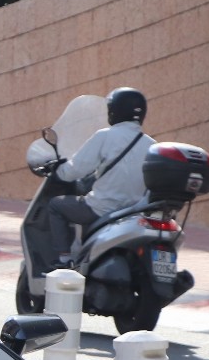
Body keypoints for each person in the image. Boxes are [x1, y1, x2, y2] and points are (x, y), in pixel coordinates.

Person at [46, 87, 154, 265]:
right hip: (132, 213)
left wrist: (58, 171)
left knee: (56, 206)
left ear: (114, 111)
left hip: (101, 209)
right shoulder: (151, 144)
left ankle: (64, 260)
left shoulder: (104, 136)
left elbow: (75, 170)